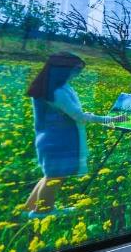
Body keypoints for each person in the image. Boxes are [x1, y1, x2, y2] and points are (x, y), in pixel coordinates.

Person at [24, 52, 125, 214]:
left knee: (51, 175)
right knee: (55, 177)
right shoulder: (57, 92)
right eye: (76, 70)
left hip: (51, 139)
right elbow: (78, 116)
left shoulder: (51, 88)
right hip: (58, 141)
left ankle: (29, 209)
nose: (78, 74)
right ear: (62, 70)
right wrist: (110, 119)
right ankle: (43, 212)